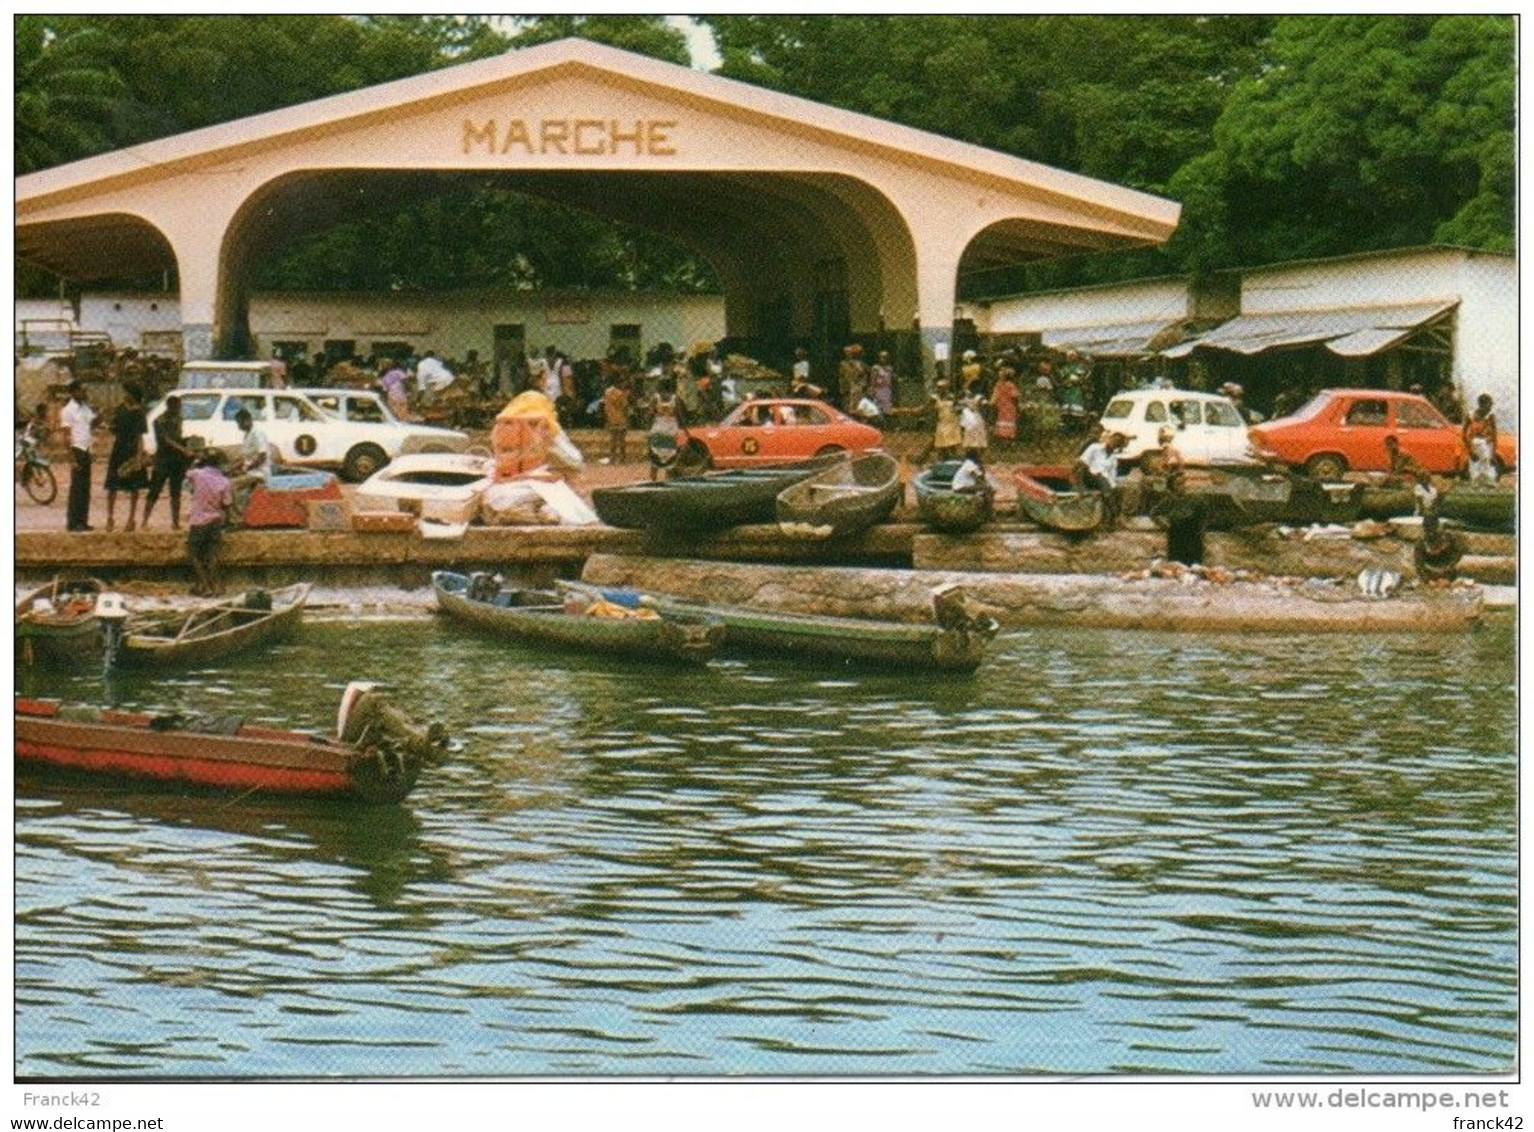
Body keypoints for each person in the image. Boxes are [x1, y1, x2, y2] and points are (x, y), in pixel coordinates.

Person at [184, 449, 233, 597]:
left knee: (194, 555)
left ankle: (205, 586)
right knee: (212, 555)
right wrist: (228, 522)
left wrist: (196, 461)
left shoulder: (198, 474)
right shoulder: (225, 481)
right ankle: (215, 587)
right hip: (215, 520)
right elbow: (227, 504)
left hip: (198, 520)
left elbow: (187, 473)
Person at [142, 394, 195, 530]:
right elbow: (166, 440)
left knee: (175, 492)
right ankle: (144, 521)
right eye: (177, 407)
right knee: (154, 490)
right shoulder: (159, 421)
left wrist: (188, 441)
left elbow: (177, 438)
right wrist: (184, 449)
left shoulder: (178, 419)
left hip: (176, 461)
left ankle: (175, 523)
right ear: (170, 406)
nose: (178, 409)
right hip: (163, 459)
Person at [104, 382, 149, 532]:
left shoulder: (139, 413)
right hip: (119, 450)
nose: (124, 395)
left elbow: (140, 437)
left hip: (132, 451)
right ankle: (110, 517)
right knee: (112, 486)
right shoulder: (119, 410)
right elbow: (113, 429)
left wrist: (138, 457)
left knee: (134, 487)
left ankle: (131, 519)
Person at [60, 381, 96, 532]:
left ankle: (82, 520)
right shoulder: (68, 410)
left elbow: (91, 424)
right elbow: (66, 435)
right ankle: (73, 522)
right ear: (74, 392)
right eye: (82, 390)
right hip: (77, 449)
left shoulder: (85, 408)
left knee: (85, 488)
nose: (84, 393)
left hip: (86, 448)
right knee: (77, 488)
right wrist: (71, 457)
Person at [1074, 430, 1128, 527]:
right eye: (1112, 440)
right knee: (1099, 476)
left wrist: (1113, 488)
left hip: (1102, 482)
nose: (1113, 443)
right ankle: (1114, 516)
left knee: (1117, 490)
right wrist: (1079, 485)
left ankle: (1112, 519)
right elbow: (1082, 463)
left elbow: (1112, 478)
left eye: (1117, 443)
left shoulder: (1113, 459)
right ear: (1109, 439)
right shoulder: (1095, 448)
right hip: (1088, 476)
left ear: (1118, 446)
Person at [228, 408, 271, 522]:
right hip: (251, 471)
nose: (238, 426)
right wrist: (231, 468)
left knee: (231, 485)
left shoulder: (258, 433)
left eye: (239, 423)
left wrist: (245, 468)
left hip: (259, 473)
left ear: (247, 420)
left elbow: (262, 456)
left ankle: (237, 520)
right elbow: (244, 457)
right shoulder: (247, 435)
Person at [647, 379, 682, 481]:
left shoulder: (655, 398)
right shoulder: (675, 398)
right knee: (670, 455)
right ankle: (668, 479)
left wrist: (649, 427)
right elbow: (679, 414)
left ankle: (653, 480)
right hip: (671, 429)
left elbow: (650, 413)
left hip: (658, 428)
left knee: (655, 455)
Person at [1463, 393, 1498, 483]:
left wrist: (1493, 454)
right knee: (1475, 473)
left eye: (1491, 405)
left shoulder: (1490, 417)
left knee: (1488, 473)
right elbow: (1463, 434)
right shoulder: (1470, 415)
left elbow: (1494, 435)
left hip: (1487, 445)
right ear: (1481, 404)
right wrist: (1470, 451)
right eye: (1489, 405)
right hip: (1474, 446)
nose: (1490, 408)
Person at [603, 376, 631, 465]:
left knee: (613, 439)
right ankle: (622, 459)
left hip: (611, 417)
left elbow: (606, 406)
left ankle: (612, 459)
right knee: (622, 440)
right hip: (621, 418)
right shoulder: (621, 393)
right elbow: (624, 406)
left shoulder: (607, 392)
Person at [990, 365, 1020, 443]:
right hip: (1009, 406)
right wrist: (1017, 405)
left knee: (1001, 420)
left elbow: (995, 396)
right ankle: (1008, 438)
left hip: (1001, 406)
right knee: (1009, 422)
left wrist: (992, 403)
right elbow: (1015, 396)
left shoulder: (998, 385)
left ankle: (1002, 438)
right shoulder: (1011, 385)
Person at [959, 393, 989, 457]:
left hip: (977, 419)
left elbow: (984, 404)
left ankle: (978, 456)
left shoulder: (979, 397)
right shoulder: (965, 407)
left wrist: (979, 404)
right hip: (969, 419)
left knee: (979, 440)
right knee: (969, 440)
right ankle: (970, 455)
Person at [869, 350, 897, 416]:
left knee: (887, 408)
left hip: (887, 390)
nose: (884, 359)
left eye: (885, 357)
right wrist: (872, 390)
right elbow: (873, 379)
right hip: (878, 389)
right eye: (882, 357)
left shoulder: (889, 368)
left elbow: (892, 378)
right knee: (878, 407)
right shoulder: (876, 368)